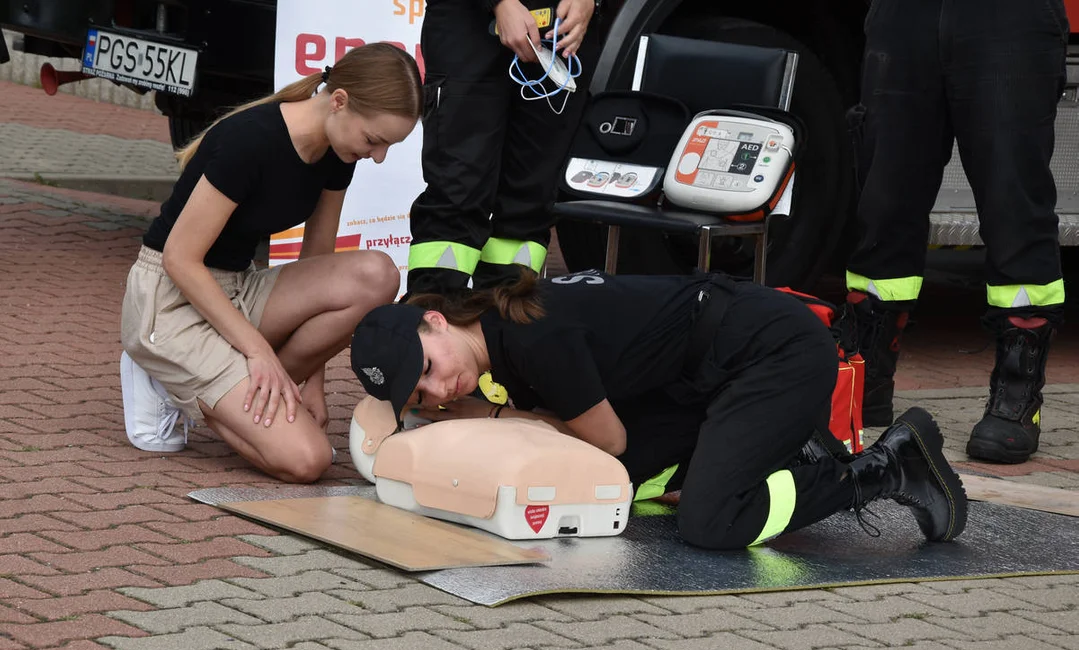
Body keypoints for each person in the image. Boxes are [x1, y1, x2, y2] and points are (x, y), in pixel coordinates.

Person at [349, 270, 968, 551]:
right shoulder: (501, 335)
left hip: (773, 351)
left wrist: (487, 424)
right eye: (421, 397)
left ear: (435, 319)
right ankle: (777, 448)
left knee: (711, 524)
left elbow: (605, 440)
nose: (438, 392)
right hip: (701, 377)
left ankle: (884, 468)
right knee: (624, 491)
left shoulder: (533, 340)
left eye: (427, 368)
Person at [119, 43, 423, 484]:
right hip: (172, 301)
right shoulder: (252, 139)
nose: (377, 157)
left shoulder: (338, 153)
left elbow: (316, 265)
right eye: (374, 141)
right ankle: (165, 378)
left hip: (237, 289)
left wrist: (312, 386)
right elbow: (180, 260)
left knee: (378, 275)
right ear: (338, 102)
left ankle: (234, 384)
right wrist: (258, 351)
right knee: (308, 460)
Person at [839, 0, 1068, 464]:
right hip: (904, 16)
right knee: (884, 201)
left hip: (1010, 16)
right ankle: (866, 379)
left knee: (1013, 203)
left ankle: (1017, 398)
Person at [404, 0, 599, 296]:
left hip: (560, 33)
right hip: (469, 24)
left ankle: (506, 326)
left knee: (531, 198)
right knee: (456, 192)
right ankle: (431, 319)